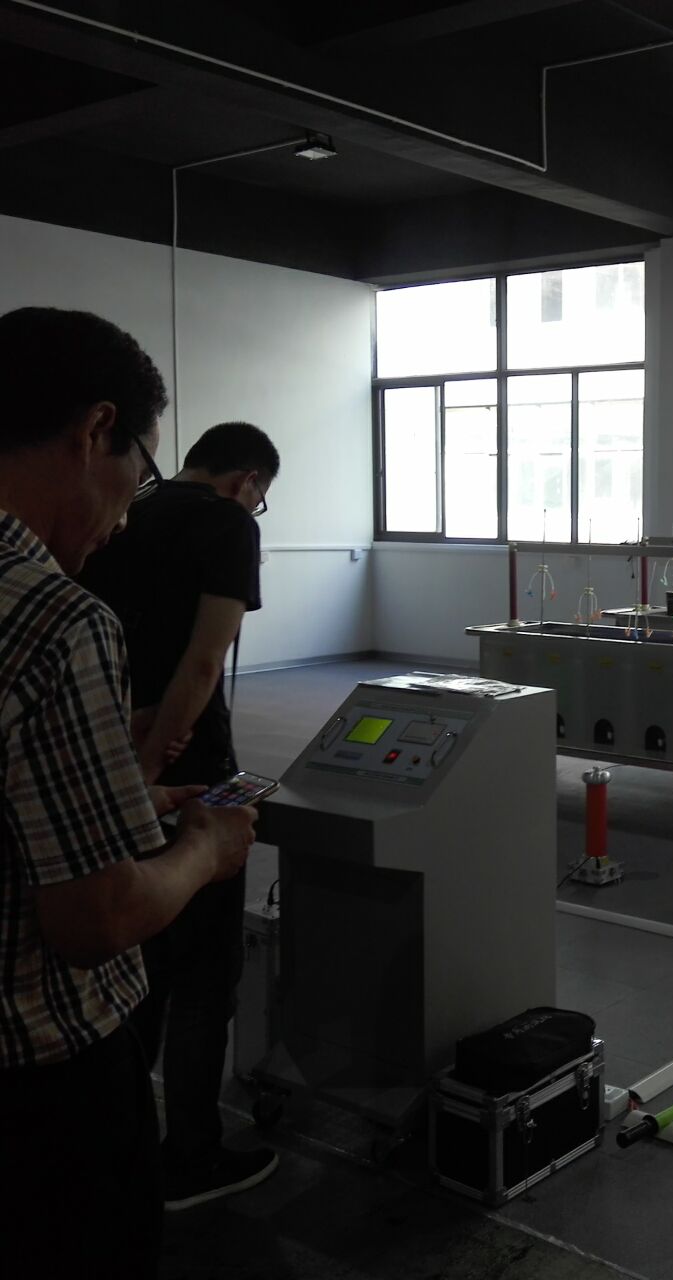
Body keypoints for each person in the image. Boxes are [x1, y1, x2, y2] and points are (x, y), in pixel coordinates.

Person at [0, 307, 257, 1278]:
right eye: (136, 470)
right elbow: (94, 916)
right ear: (94, 430)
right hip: (43, 1090)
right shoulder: (54, 617)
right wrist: (204, 848)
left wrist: (116, 790)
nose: (124, 513)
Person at [81, 420, 281, 1211]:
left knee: (142, 967)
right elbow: (202, 663)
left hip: (108, 748)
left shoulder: (127, 509)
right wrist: (153, 768)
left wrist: (123, 774)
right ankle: (192, 1153)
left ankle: (120, 1142)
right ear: (247, 482)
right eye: (260, 497)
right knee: (204, 974)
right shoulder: (227, 524)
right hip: (187, 771)